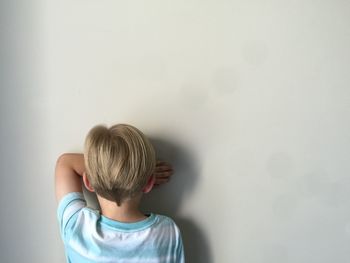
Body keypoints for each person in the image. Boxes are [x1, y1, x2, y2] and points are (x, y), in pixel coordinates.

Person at [55, 123, 185, 262]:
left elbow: (65, 163)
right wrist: (137, 173)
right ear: (149, 184)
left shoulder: (76, 227)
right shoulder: (168, 233)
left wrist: (103, 168)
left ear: (88, 181)